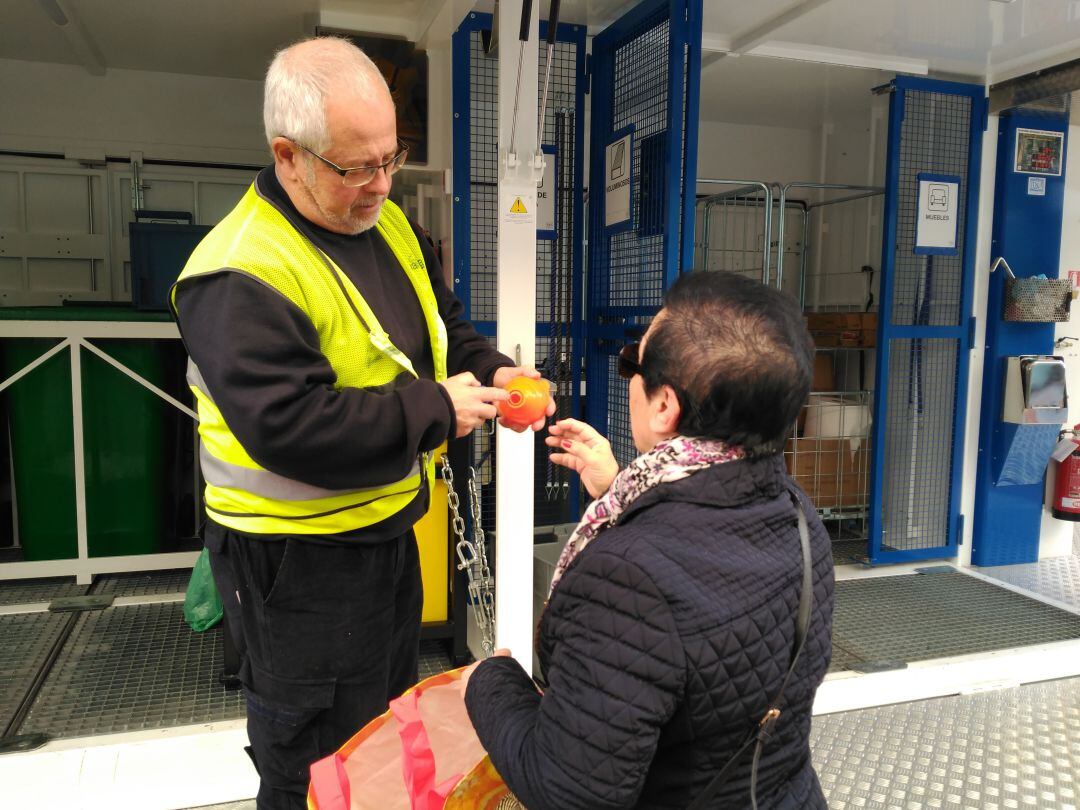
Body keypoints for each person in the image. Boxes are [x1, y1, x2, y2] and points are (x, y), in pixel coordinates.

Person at [170, 37, 551, 810]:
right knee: (313, 761)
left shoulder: (386, 224)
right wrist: (439, 410)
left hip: (385, 540)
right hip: (296, 569)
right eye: (357, 167)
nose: (381, 184)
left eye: (392, 158)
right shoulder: (237, 272)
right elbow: (293, 427)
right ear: (289, 156)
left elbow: (442, 327)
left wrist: (493, 371)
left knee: (381, 734)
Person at [464, 271, 835, 809]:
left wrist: (491, 681)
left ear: (664, 406)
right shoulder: (798, 515)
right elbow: (704, 591)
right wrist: (618, 488)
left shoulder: (625, 579)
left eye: (632, 363)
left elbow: (570, 792)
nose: (628, 376)